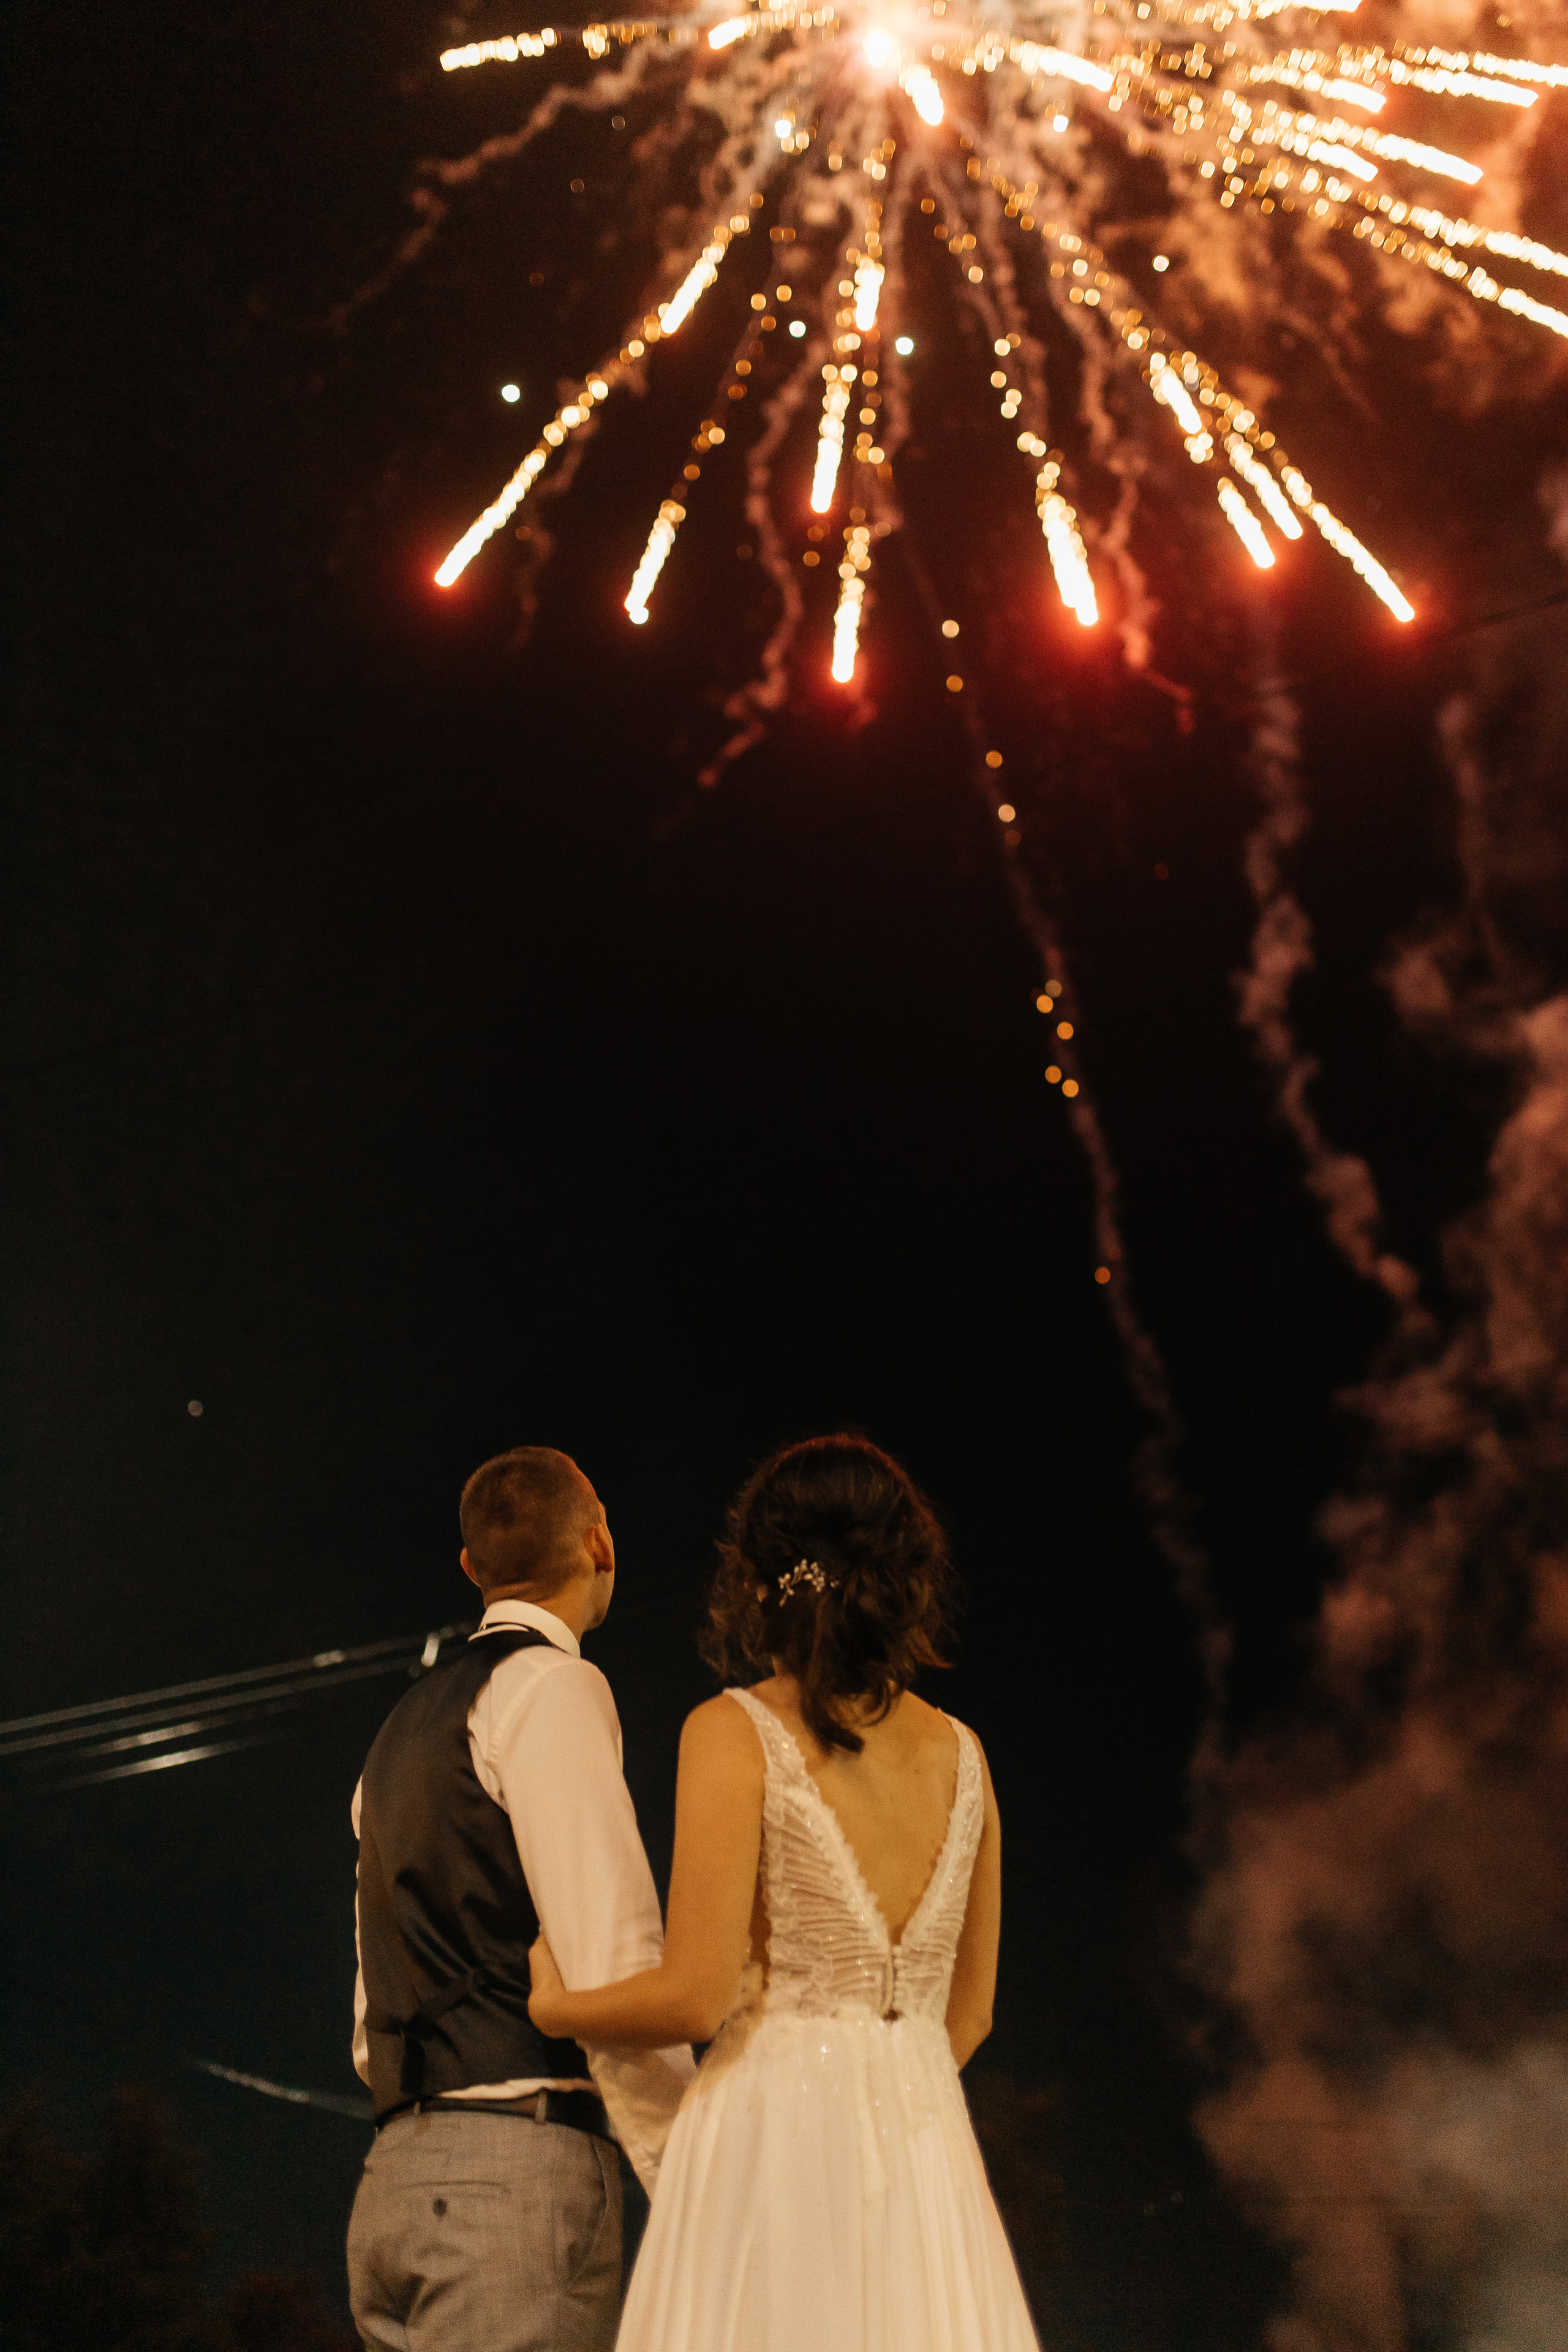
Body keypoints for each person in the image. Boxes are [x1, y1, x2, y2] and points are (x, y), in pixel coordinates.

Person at [527, 1433, 1041, 2352]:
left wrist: (560, 2006)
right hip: (928, 2158)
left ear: (759, 1575)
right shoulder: (967, 1759)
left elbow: (695, 1992)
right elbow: (970, 2018)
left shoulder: (733, 1731)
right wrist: (889, 2097)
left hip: (771, 2150)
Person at [346, 1446, 693, 2352]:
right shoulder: (551, 1688)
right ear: (600, 1543)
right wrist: (699, 2173)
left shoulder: (392, 1737)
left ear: (472, 1570)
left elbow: (369, 2013)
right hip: (514, 2174)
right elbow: (613, 1960)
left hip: (391, 2183)